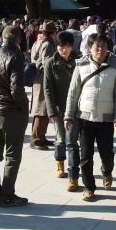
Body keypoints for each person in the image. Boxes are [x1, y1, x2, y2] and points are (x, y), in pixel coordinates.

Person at [64, 33, 116, 201]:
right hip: (85, 118)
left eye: (103, 46)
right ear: (89, 48)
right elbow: (73, 93)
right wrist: (68, 116)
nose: (100, 50)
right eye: (96, 46)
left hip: (106, 119)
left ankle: (107, 172)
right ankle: (89, 187)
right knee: (86, 155)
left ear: (108, 48)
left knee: (106, 153)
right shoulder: (81, 66)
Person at [0, 25, 30, 207]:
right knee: (12, 155)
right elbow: (16, 88)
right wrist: (24, 106)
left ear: (2, 38)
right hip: (10, 111)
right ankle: (7, 195)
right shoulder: (16, 56)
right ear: (19, 40)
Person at [43, 31, 79, 183]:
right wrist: (51, 111)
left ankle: (73, 171)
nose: (64, 49)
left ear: (72, 46)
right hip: (58, 107)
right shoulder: (50, 63)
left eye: (67, 46)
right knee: (60, 138)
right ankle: (60, 163)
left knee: (72, 140)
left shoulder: (79, 61)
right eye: (61, 46)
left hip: (76, 108)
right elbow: (47, 88)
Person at [30, 21, 58, 150]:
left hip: (38, 78)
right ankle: (36, 139)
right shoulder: (47, 44)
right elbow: (47, 63)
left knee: (44, 109)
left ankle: (41, 136)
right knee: (41, 109)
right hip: (43, 80)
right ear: (53, 33)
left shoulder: (37, 42)